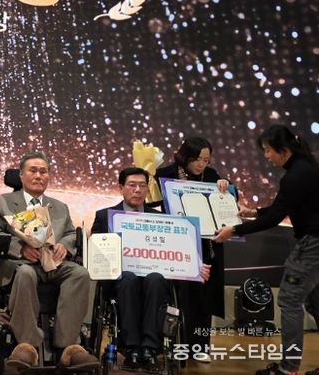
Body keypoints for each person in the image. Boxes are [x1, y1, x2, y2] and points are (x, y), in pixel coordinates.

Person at [213, 125, 319, 375]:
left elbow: (274, 218)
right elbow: (284, 206)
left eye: (268, 150)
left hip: (312, 246)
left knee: (290, 301)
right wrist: (254, 212)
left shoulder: (295, 175)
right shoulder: (306, 167)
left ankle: (287, 369)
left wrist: (234, 230)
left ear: (284, 150)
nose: (267, 156)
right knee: (315, 301)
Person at [0, 151, 97, 370]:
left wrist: (64, 245)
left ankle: (68, 347)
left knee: (80, 273)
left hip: (53, 263)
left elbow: (70, 233)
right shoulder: (3, 202)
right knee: (25, 273)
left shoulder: (59, 206)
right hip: (20, 264)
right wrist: (20, 248)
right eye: (33, 171)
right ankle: (27, 346)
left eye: (43, 172)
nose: (38, 176)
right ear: (21, 175)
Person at [156, 136, 228, 363]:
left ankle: (200, 347)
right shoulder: (166, 174)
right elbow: (152, 203)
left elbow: (227, 202)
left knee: (203, 300)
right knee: (180, 297)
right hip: (177, 247)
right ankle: (175, 345)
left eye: (206, 160)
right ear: (186, 156)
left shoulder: (212, 176)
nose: (201, 165)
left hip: (207, 247)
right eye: (197, 159)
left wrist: (224, 187)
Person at [92, 167, 171, 371]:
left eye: (142, 186)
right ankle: (131, 347)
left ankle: (150, 348)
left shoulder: (162, 219)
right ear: (121, 188)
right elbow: (95, 252)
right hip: (121, 279)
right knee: (127, 278)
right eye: (132, 185)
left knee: (155, 278)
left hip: (152, 277)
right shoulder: (104, 216)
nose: (138, 190)